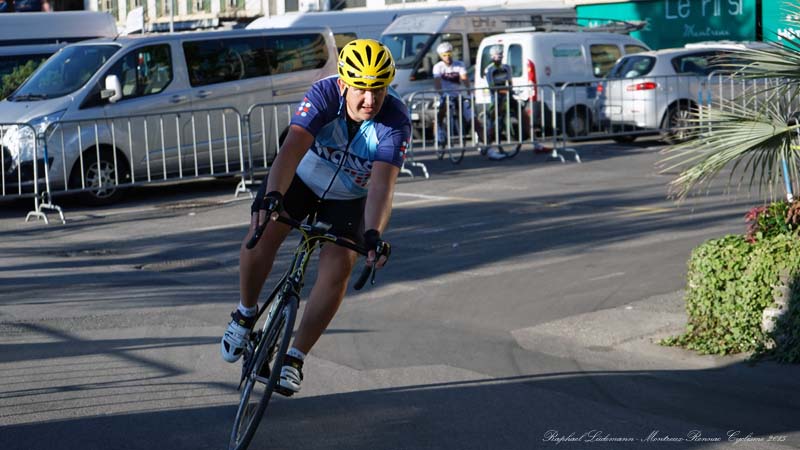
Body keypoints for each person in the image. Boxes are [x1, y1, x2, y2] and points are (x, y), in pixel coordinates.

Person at [220, 39, 410, 396]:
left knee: (339, 266)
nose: (370, 100)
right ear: (344, 84)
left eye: (379, 89)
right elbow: (291, 149)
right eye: (362, 89)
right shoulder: (324, 94)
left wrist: (373, 233)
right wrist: (274, 196)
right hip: (301, 180)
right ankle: (244, 314)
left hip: (349, 197)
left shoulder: (395, 120)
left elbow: (382, 185)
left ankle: (294, 357)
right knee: (263, 230)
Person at [482, 45, 530, 160]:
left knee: (523, 114)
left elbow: (510, 82)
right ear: (492, 57)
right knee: (493, 121)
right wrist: (504, 90)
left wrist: (511, 90)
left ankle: (532, 138)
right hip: (496, 97)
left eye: (500, 55)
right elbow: (491, 87)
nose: (499, 58)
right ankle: (487, 144)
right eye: (496, 56)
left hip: (507, 95)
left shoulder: (507, 67)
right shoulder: (489, 69)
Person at [432, 41, 481, 147]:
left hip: (458, 96)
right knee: (439, 114)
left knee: (473, 118)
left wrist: (469, 92)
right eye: (445, 55)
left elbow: (465, 79)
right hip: (444, 95)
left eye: (449, 54)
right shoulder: (438, 67)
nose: (447, 57)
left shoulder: (459, 64)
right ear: (441, 56)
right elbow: (437, 83)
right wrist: (441, 93)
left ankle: (484, 143)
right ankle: (439, 134)